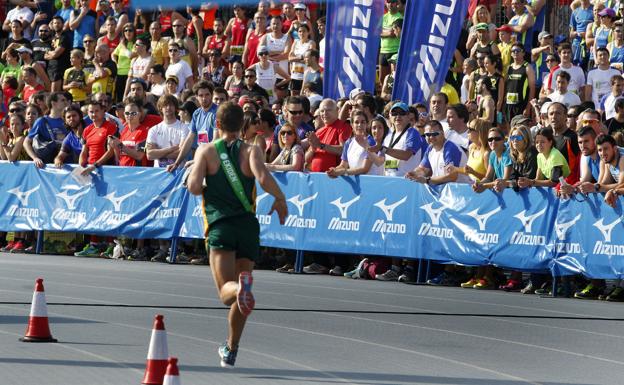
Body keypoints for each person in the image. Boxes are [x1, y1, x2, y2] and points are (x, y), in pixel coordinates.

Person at [186, 101, 288, 368]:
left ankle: (240, 289)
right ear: (242, 125)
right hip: (247, 226)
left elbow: (194, 187)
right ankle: (231, 347)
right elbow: (263, 177)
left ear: (216, 124)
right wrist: (280, 199)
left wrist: (199, 178)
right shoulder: (252, 150)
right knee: (242, 294)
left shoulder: (207, 151)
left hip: (221, 225)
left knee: (226, 291)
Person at [167, 81, 217, 172]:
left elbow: (216, 141)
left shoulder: (217, 113)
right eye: (201, 95)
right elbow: (189, 139)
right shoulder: (197, 113)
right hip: (201, 158)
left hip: (214, 159)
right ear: (196, 97)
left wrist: (197, 161)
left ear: (212, 95)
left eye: (207, 95)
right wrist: (176, 163)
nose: (204, 98)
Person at [327, 110, 384, 177]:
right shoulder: (348, 142)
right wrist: (334, 170)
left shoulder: (371, 142)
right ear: (352, 125)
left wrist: (343, 171)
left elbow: (364, 169)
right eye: (356, 122)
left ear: (367, 124)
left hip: (371, 184)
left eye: (363, 122)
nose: (360, 125)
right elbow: (343, 165)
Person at [23, 92, 70, 168]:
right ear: (53, 103)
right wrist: (35, 158)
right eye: (62, 100)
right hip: (47, 166)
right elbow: (26, 142)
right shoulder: (42, 121)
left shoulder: (68, 120)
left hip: (66, 164)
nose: (66, 102)